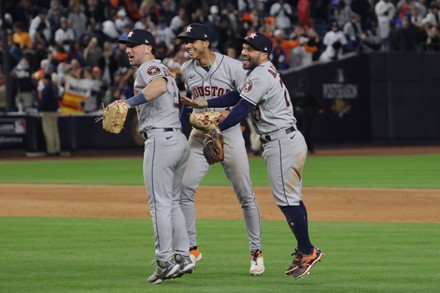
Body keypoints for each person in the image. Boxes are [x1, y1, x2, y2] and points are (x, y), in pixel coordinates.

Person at [181, 32, 324, 279]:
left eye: (252, 49)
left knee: (287, 201)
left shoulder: (260, 75)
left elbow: (242, 108)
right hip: (282, 140)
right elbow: (237, 96)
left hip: (281, 141)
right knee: (290, 199)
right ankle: (304, 249)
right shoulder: (256, 73)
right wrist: (205, 104)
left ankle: (308, 250)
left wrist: (216, 129)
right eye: (244, 47)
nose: (245, 51)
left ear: (265, 54)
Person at [177, 23, 265, 276]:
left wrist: (223, 122)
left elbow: (243, 101)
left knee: (245, 195)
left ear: (206, 42)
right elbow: (187, 104)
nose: (187, 45)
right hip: (199, 134)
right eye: (185, 41)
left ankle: (256, 252)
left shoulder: (234, 67)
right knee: (184, 189)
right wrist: (182, 134)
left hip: (229, 133)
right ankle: (192, 249)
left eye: (192, 40)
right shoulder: (186, 68)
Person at [117, 29, 194, 285]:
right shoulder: (163, 68)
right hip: (177, 139)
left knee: (159, 204)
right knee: (172, 202)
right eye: (127, 46)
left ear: (148, 48)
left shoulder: (148, 68)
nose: (129, 49)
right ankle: (183, 256)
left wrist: (128, 103)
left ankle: (164, 262)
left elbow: (158, 87)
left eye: (134, 45)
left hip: (161, 141)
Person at [290, 77, 323, 154]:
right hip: (305, 113)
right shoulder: (308, 92)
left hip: (297, 113)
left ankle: (301, 147)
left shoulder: (294, 92)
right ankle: (307, 147)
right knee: (305, 131)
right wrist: (320, 108)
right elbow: (315, 102)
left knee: (298, 130)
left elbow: (290, 103)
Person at [37, 73, 61, 156]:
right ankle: (57, 149)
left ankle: (51, 151)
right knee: (55, 132)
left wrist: (38, 109)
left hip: (47, 112)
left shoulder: (46, 89)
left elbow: (43, 101)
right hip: (54, 112)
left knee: (49, 132)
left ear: (46, 79)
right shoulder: (54, 88)